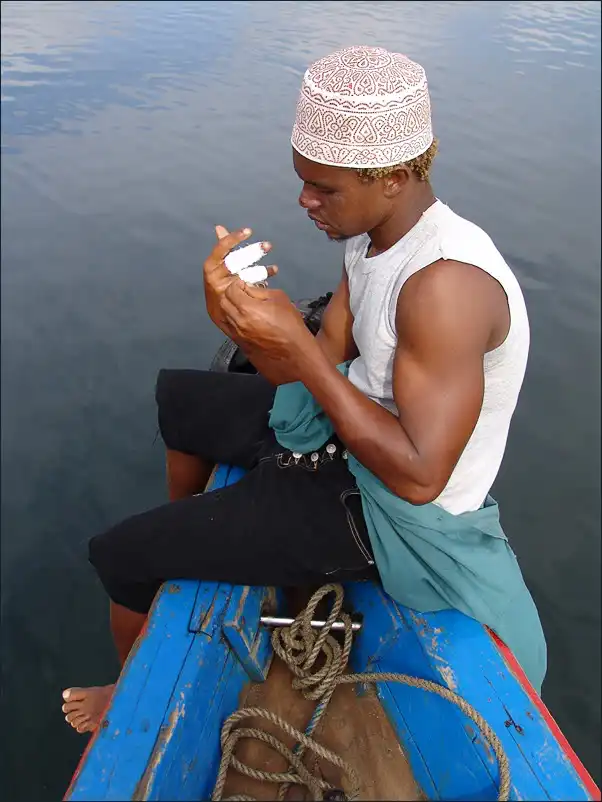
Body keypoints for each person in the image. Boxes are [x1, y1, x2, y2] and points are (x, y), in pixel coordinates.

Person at [62, 46, 546, 734]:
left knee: (121, 555)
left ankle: (130, 692)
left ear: (394, 176)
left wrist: (298, 349)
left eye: (324, 189)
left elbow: (419, 478)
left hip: (386, 512)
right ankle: (202, 536)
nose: (304, 201)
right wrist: (234, 317)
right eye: (303, 181)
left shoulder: (445, 288)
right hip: (355, 430)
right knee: (181, 402)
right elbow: (319, 360)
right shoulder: (375, 236)